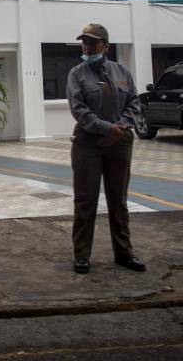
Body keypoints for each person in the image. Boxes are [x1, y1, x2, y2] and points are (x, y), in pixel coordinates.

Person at [66, 23, 146, 274]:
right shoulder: (76, 74)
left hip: (119, 142)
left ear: (106, 46)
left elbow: (134, 102)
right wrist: (105, 129)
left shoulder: (122, 72)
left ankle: (124, 253)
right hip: (88, 143)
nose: (87, 47)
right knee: (86, 200)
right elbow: (78, 109)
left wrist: (119, 128)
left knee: (118, 200)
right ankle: (81, 255)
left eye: (93, 42)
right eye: (84, 42)